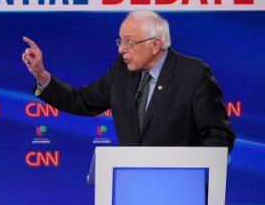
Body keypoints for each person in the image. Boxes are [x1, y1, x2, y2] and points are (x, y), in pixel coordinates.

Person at [21, 10, 235, 151]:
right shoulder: (121, 71)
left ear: (156, 44)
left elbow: (219, 136)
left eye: (130, 42)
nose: (122, 49)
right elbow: (82, 101)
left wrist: (191, 169)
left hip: (183, 188)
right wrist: (41, 75)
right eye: (120, 41)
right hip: (133, 184)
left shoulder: (193, 74)